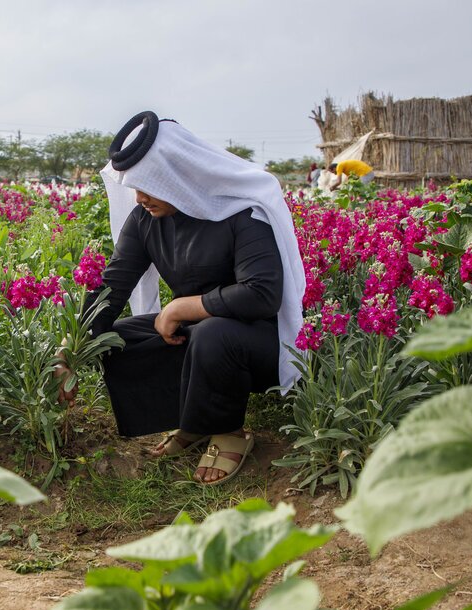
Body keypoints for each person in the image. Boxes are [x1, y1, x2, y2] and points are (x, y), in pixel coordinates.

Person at [55, 111, 305, 485]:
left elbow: (262, 295)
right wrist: (69, 351)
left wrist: (182, 306)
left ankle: (229, 432)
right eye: (134, 187)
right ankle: (195, 423)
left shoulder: (241, 214)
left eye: (148, 186)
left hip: (264, 342)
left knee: (212, 334)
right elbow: (113, 286)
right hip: (207, 334)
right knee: (120, 337)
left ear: (176, 177)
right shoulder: (146, 220)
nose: (139, 198)